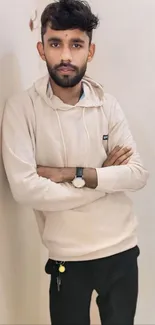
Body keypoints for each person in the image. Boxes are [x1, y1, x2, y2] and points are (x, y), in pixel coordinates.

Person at [2, 0, 149, 324]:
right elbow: (26, 190)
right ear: (42, 49)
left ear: (90, 51)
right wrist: (102, 181)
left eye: (76, 44)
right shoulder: (21, 109)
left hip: (122, 251)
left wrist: (70, 174)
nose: (66, 56)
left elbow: (137, 174)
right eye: (56, 43)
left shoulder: (107, 105)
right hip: (67, 259)